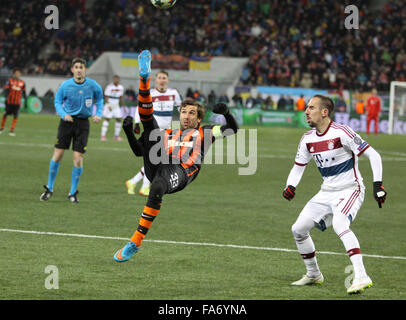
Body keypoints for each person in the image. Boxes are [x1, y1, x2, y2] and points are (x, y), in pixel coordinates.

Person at [114, 50, 238, 262]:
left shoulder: (205, 132)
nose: (186, 116)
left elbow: (232, 129)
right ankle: (144, 81)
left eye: (191, 113)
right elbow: (139, 152)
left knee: (157, 186)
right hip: (160, 167)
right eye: (183, 112)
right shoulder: (169, 133)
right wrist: (127, 131)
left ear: (199, 118)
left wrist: (226, 114)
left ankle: (135, 241)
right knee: (149, 126)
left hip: (183, 171)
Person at [283, 94, 387, 294]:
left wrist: (378, 185)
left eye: (311, 108)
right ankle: (313, 274)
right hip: (326, 191)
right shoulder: (307, 139)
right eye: (307, 108)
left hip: (350, 189)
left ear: (324, 112)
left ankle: (361, 275)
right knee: (298, 229)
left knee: (340, 223)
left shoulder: (342, 132)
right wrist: (291, 185)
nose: (306, 111)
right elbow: (298, 167)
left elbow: (373, 154)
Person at [40, 58, 103, 203]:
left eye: (81, 67)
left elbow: (99, 99)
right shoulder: (65, 85)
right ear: (72, 69)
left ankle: (72, 192)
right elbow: (57, 101)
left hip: (83, 124)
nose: (79, 69)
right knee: (58, 154)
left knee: (78, 158)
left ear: (85, 69)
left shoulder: (93, 85)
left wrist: (98, 113)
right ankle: (49, 188)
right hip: (66, 123)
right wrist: (64, 114)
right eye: (76, 67)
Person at [125, 70, 182, 197]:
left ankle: (133, 182)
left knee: (157, 161)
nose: (162, 80)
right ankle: (144, 187)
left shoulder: (174, 93)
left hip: (166, 132)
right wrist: (136, 123)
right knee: (156, 160)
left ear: (168, 80)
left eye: (164, 78)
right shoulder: (150, 93)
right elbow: (140, 106)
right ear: (155, 80)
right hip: (151, 131)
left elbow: (180, 108)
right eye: (160, 77)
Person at [0, 68, 26, 136]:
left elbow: (24, 92)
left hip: (17, 103)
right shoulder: (10, 81)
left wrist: (25, 100)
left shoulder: (22, 82)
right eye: (16, 73)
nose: (17, 74)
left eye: (19, 73)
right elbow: (6, 90)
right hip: (9, 102)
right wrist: (6, 98)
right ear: (14, 74)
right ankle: (1, 129)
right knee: (5, 115)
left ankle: (11, 131)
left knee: (15, 116)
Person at [100, 75, 125, 141]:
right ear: (113, 79)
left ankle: (116, 136)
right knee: (107, 119)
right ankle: (103, 136)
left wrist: (124, 106)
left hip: (116, 105)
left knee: (119, 119)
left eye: (117, 79)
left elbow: (121, 97)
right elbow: (106, 96)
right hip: (110, 104)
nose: (116, 80)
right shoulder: (109, 87)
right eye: (115, 79)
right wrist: (108, 105)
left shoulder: (121, 87)